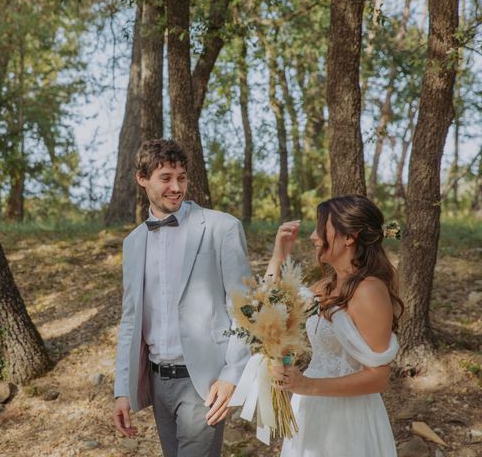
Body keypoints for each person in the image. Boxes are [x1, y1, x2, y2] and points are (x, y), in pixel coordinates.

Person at [113, 139, 252, 457]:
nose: (176, 187)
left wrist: (232, 376)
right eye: (166, 178)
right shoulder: (133, 243)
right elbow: (130, 320)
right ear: (142, 179)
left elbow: (244, 309)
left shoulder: (222, 228)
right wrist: (123, 390)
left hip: (203, 383)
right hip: (158, 383)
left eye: (182, 177)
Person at [266, 195, 403, 457]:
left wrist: (308, 386)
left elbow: (379, 377)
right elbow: (270, 308)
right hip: (310, 408)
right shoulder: (325, 287)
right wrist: (277, 258)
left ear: (349, 237)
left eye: (321, 228)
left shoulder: (369, 291)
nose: (314, 237)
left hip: (347, 420)